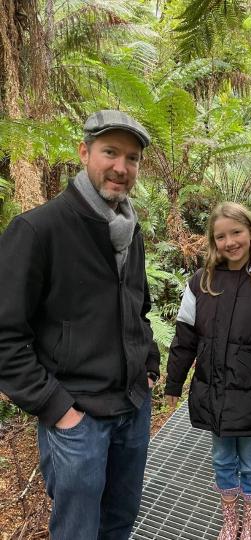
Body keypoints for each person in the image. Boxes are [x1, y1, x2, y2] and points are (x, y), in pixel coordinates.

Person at [0, 110, 160, 539]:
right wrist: (59, 410)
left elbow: (138, 307)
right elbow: (5, 335)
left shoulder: (132, 230)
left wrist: (148, 362)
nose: (121, 167)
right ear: (84, 152)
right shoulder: (38, 229)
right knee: (77, 532)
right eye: (110, 152)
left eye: (132, 158)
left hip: (132, 408)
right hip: (78, 418)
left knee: (119, 525)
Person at [164, 202, 251, 540]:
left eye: (236, 232)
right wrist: (173, 384)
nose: (230, 242)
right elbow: (184, 337)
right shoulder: (201, 283)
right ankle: (229, 518)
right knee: (222, 459)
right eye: (221, 236)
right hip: (212, 393)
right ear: (213, 241)